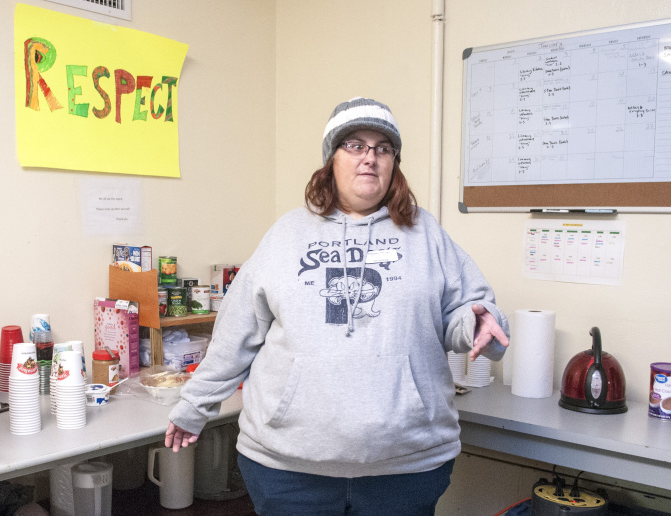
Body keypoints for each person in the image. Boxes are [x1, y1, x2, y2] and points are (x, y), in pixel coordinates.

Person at [166, 97, 510, 516]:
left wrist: (479, 324)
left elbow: (467, 309)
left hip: (404, 469)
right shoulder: (286, 234)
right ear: (331, 159)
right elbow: (237, 333)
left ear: (394, 164)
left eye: (383, 148)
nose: (370, 158)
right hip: (289, 469)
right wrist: (194, 405)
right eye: (355, 145)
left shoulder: (427, 234)